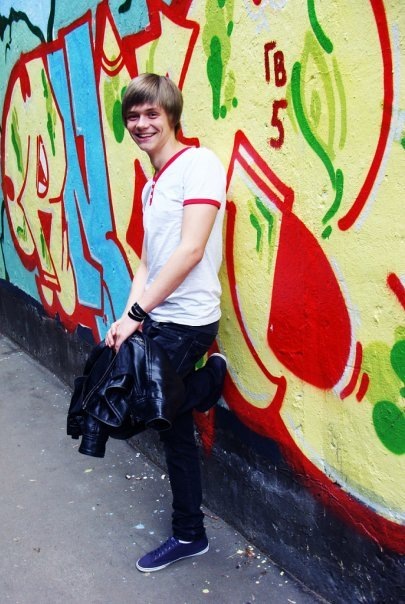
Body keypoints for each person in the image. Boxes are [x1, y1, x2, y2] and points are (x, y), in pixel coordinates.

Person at [104, 73, 227, 572]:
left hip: (190, 321)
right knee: (170, 424)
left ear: (172, 115)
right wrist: (127, 317)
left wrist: (139, 315)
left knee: (136, 410)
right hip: (157, 317)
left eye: (151, 113)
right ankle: (189, 533)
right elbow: (147, 263)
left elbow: (191, 249)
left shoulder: (199, 164)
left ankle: (209, 380)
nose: (141, 124)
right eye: (133, 116)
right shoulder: (152, 184)